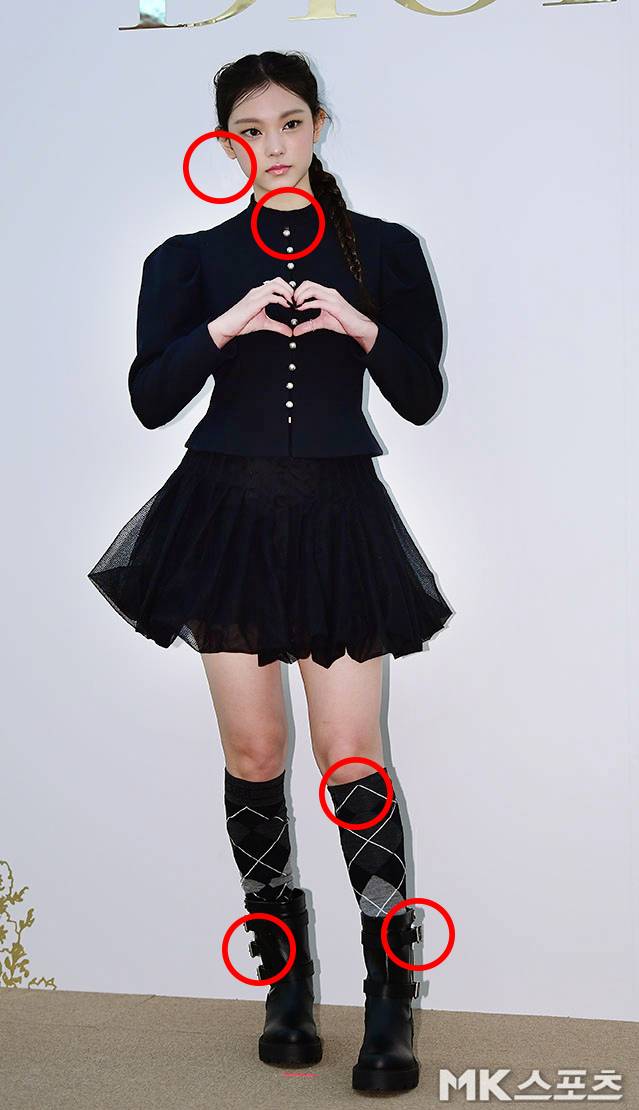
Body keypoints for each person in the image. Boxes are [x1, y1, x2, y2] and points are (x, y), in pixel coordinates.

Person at [87, 49, 454, 1094]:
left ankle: (391, 998)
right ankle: (284, 979)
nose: (274, 145)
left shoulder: (384, 248)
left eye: (290, 122)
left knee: (351, 760)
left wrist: (358, 322)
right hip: (224, 519)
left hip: (338, 521)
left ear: (318, 126)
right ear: (222, 144)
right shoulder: (187, 258)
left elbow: (421, 393)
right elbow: (149, 399)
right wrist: (225, 323)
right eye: (250, 130)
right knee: (254, 753)